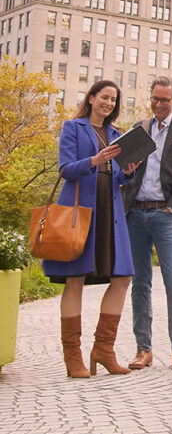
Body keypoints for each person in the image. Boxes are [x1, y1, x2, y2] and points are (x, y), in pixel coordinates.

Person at [43, 80, 138, 377]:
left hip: (110, 212)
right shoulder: (73, 127)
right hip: (80, 211)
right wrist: (95, 160)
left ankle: (103, 349)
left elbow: (120, 181)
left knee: (122, 277)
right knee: (76, 279)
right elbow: (65, 169)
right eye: (104, 97)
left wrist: (128, 172)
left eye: (113, 99)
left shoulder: (117, 134)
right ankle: (73, 355)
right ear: (92, 98)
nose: (108, 103)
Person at [123, 76, 172, 370]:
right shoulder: (139, 129)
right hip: (136, 214)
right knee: (139, 283)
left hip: (165, 216)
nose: (157, 104)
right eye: (154, 98)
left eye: (163, 100)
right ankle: (144, 349)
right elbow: (127, 172)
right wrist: (127, 173)